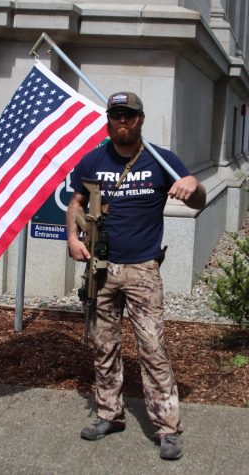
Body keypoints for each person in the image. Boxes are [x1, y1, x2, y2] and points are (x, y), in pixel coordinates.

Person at [66, 91, 206, 460]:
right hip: (100, 270)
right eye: (116, 115)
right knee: (103, 345)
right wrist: (71, 237)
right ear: (108, 120)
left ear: (140, 119)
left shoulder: (162, 159)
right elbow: (76, 202)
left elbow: (198, 199)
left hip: (144, 269)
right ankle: (109, 414)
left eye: (129, 115)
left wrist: (194, 186)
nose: (122, 121)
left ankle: (167, 428)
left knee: (153, 348)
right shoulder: (93, 160)